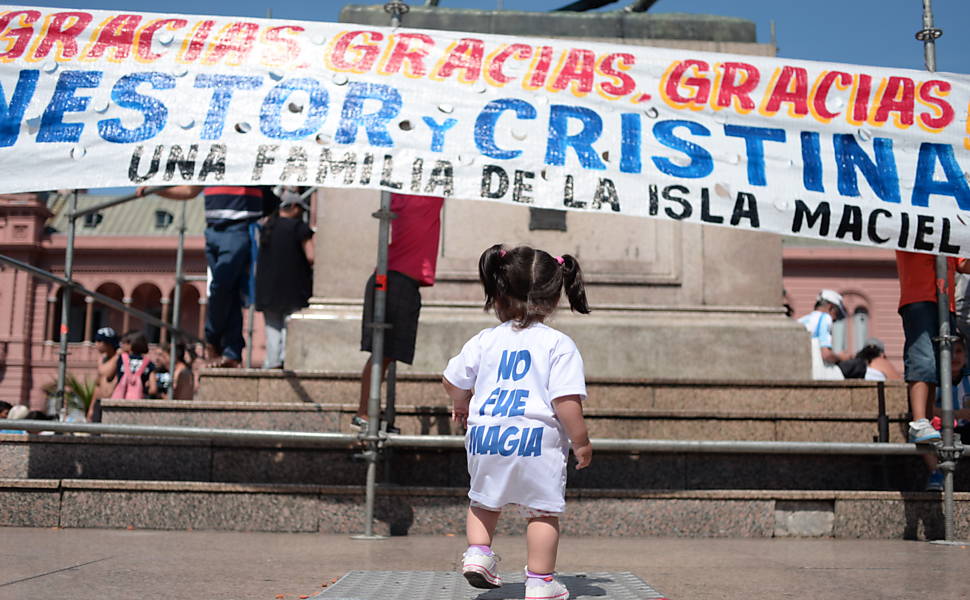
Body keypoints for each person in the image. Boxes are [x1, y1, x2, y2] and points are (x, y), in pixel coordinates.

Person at [443, 244, 592, 600]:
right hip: (536, 441)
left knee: (482, 501)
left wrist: (462, 404)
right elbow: (565, 400)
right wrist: (580, 440)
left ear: (498, 293)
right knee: (543, 512)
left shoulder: (485, 340)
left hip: (486, 438)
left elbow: (452, 380)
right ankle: (540, 582)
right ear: (555, 296)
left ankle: (478, 554)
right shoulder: (558, 344)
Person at [140, 185, 280, 368]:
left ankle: (212, 338)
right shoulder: (213, 162)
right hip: (213, 230)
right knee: (229, 292)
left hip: (239, 226)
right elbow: (189, 190)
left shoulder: (244, 159)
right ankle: (232, 351)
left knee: (221, 286)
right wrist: (155, 190)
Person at [354, 193, 445, 431]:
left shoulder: (397, 198)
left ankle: (370, 411)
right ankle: (364, 412)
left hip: (394, 277)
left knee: (385, 353)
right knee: (382, 352)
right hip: (397, 280)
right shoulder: (425, 199)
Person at [896, 250, 970, 443]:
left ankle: (926, 421)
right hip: (919, 298)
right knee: (923, 359)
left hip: (946, 302)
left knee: (936, 367)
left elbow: (962, 263)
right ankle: (919, 421)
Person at [255, 187, 314, 370]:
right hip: (293, 287)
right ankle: (287, 361)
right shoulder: (299, 228)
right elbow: (311, 256)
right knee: (290, 325)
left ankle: (273, 362)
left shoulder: (267, 227)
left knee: (272, 328)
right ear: (294, 207)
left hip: (267, 288)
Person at [922, 336, 970, 491]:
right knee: (923, 433)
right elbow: (928, 408)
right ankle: (936, 472)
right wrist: (956, 414)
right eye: (949, 352)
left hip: (966, 428)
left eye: (959, 351)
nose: (954, 357)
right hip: (941, 427)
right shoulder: (935, 382)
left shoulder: (968, 380)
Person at [797, 289, 852, 380]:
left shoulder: (802, 320)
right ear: (831, 308)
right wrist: (843, 357)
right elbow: (826, 355)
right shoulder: (825, 318)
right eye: (836, 314)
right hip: (818, 372)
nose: (835, 319)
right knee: (858, 365)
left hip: (801, 370)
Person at [112, 331, 154, 399]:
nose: (121, 345)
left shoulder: (121, 359)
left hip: (121, 400)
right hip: (138, 401)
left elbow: (111, 377)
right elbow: (153, 389)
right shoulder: (148, 363)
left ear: (130, 344)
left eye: (123, 343)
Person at [90, 326, 119, 421]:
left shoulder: (119, 358)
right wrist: (91, 407)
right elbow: (97, 385)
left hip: (112, 403)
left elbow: (109, 374)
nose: (96, 344)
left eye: (99, 341)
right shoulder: (101, 359)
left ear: (108, 343)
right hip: (99, 403)